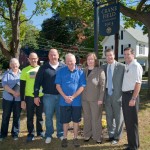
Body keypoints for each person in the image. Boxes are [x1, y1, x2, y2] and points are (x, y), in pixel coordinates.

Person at [55, 53, 86, 148]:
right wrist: (65, 97)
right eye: (68, 61)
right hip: (64, 102)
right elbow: (58, 85)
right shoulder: (61, 71)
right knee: (65, 121)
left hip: (76, 102)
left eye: (71, 61)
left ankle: (75, 138)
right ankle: (65, 138)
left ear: (75, 61)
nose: (70, 63)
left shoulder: (80, 72)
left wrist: (72, 97)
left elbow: (82, 86)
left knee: (76, 121)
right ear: (65, 62)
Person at [34, 48, 64, 144]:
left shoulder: (63, 67)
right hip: (48, 97)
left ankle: (60, 133)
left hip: (61, 96)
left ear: (58, 56)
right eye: (51, 55)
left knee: (60, 116)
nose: (53, 56)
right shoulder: (43, 68)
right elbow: (37, 82)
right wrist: (36, 95)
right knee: (48, 117)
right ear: (48, 56)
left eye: (55, 54)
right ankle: (48, 134)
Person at [102, 48, 125, 144]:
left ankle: (117, 136)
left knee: (119, 116)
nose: (109, 57)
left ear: (114, 55)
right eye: (107, 56)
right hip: (107, 94)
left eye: (110, 55)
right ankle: (111, 135)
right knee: (109, 116)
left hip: (117, 95)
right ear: (105, 57)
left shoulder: (122, 67)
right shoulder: (103, 67)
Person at [20, 52, 44, 142]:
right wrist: (22, 100)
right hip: (29, 97)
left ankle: (40, 131)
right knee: (29, 116)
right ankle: (31, 133)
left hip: (40, 96)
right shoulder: (24, 70)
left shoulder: (42, 69)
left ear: (37, 59)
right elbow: (22, 87)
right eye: (31, 58)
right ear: (29, 59)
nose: (33, 60)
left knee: (40, 116)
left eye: (35, 58)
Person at [82, 53, 105, 144]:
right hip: (84, 99)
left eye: (92, 59)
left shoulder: (100, 71)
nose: (90, 61)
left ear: (95, 61)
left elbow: (103, 86)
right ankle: (87, 135)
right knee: (87, 117)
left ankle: (97, 136)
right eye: (88, 59)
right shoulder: (84, 71)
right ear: (86, 61)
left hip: (96, 99)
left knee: (96, 118)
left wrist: (101, 98)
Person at [122, 47, 143, 150]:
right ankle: (132, 143)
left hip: (131, 96)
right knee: (128, 121)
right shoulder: (128, 65)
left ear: (133, 55)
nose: (126, 56)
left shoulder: (135, 66)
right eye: (125, 54)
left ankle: (133, 146)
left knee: (132, 122)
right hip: (126, 95)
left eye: (128, 54)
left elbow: (138, 83)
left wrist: (133, 98)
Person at [0, 58, 21, 141]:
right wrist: (14, 92)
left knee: (17, 116)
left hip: (18, 99)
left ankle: (15, 133)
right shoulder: (6, 74)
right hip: (7, 99)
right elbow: (4, 85)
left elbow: (25, 84)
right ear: (10, 65)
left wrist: (19, 93)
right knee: (5, 116)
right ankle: (3, 134)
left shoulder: (22, 73)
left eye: (16, 64)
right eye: (12, 64)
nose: (14, 65)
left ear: (19, 64)